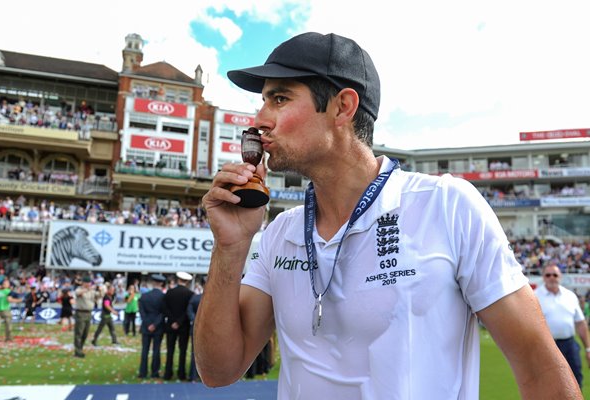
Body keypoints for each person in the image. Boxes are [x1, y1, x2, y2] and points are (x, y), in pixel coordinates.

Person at [194, 31, 583, 399]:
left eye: (278, 99)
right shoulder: (280, 231)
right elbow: (218, 370)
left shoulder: (446, 206)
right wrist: (230, 247)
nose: (260, 119)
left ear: (342, 107)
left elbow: (539, 367)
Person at [534, 264, 590, 387]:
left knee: (575, 380)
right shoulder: (535, 296)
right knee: (548, 383)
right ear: (543, 277)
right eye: (548, 275)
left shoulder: (570, 295)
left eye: (555, 275)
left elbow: (580, 323)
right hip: (546, 346)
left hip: (569, 345)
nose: (551, 278)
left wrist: (588, 349)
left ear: (560, 277)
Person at [163, 271, 194, 380]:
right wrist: (179, 322)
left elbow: (165, 309)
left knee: (170, 350)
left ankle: (168, 373)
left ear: (178, 280)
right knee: (183, 351)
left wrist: (173, 321)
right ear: (187, 281)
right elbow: (188, 311)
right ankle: (181, 374)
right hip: (183, 326)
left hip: (170, 325)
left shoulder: (169, 292)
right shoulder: (190, 294)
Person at [138, 273, 166, 379]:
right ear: (161, 283)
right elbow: (163, 313)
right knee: (156, 350)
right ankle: (155, 372)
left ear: (153, 283)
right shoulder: (163, 297)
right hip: (158, 327)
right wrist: (155, 324)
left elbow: (142, 312)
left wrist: (148, 324)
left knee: (145, 350)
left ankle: (143, 372)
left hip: (146, 326)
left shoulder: (144, 296)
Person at [73, 275, 101, 358]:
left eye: (89, 283)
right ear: (83, 283)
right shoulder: (79, 289)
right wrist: (87, 289)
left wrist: (100, 290)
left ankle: (80, 348)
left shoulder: (91, 291)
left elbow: (98, 295)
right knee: (79, 332)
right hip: (80, 312)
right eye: (87, 282)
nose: (89, 284)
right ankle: (78, 351)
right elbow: (78, 293)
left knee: (85, 333)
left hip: (89, 313)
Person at [0, 277, 22, 342]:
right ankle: (8, 338)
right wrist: (19, 300)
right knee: (8, 325)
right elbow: (9, 299)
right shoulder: (8, 291)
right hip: (5, 310)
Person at [91, 282, 119, 346]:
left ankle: (114, 340)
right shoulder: (106, 297)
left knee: (112, 329)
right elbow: (107, 305)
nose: (113, 291)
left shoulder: (110, 296)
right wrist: (113, 311)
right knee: (100, 329)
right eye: (111, 290)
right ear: (108, 290)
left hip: (108, 315)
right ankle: (94, 340)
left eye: (113, 290)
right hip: (105, 315)